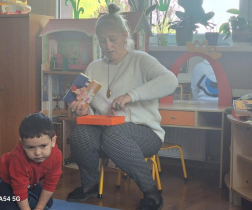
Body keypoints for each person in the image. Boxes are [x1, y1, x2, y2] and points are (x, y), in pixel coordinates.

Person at [66, 4, 178, 210]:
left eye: (112, 39)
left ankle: (152, 192)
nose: (108, 46)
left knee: (114, 135)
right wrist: (84, 110)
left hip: (144, 132)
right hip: (106, 130)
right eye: (102, 40)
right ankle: (89, 186)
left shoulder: (141, 59)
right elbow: (90, 107)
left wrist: (132, 95)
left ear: (125, 35)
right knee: (80, 133)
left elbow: (171, 82)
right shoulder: (94, 67)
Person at [0, 113, 62, 210]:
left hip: (29, 183)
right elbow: (19, 189)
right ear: (23, 144)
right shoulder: (18, 158)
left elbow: (50, 184)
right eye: (31, 147)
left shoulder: (56, 156)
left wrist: (39, 208)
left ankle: (21, 201)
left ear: (53, 141)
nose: (37, 153)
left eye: (43, 146)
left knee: (47, 203)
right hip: (4, 181)